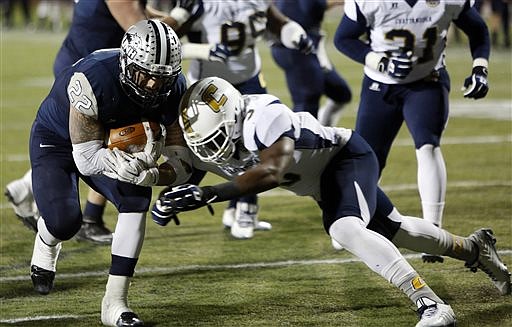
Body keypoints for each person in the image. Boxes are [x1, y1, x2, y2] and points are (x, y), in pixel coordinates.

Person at [151, 77, 510, 327]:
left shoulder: (263, 116)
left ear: (233, 115)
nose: (217, 151)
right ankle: (475, 249)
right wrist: (168, 197)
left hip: (345, 157)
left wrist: (210, 194)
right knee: (397, 230)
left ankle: (429, 303)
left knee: (345, 228)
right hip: (322, 182)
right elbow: (191, 169)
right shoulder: (221, 132)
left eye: (217, 140)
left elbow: (271, 173)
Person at [28, 20, 186, 326]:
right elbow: (87, 159)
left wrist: (152, 175)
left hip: (108, 145)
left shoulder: (174, 89)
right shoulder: (94, 77)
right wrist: (122, 164)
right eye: (146, 75)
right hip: (58, 139)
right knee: (64, 222)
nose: (154, 85)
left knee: (137, 197)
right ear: (128, 63)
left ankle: (114, 303)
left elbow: (181, 164)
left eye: (162, 78)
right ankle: (46, 241)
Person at [4, 0, 203, 245]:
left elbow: (151, 26)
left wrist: (173, 20)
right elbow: (139, 27)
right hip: (92, 75)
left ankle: (30, 188)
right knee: (98, 146)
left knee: (101, 145)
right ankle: (84, 217)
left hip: (113, 70)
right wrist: (181, 16)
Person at [333, 0, 491, 263]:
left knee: (427, 145)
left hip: (427, 83)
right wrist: (381, 62)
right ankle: (351, 219)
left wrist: (480, 67)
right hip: (380, 86)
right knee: (368, 157)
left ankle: (433, 232)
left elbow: (478, 30)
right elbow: (344, 38)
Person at [179, 0, 315, 239]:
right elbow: (171, 43)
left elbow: (277, 23)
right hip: (211, 91)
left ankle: (243, 210)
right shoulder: (199, 3)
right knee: (220, 151)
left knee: (256, 147)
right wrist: (204, 50)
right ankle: (225, 203)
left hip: (250, 78)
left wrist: (295, 34)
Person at [271, 0, 352, 126]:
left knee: (341, 93)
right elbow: (312, 6)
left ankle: (325, 134)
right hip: (299, 45)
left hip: (301, 43)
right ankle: (302, 142)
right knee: (307, 101)